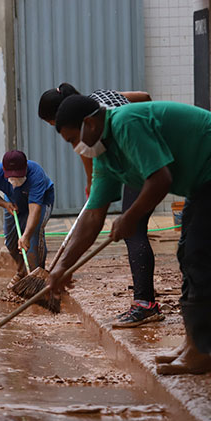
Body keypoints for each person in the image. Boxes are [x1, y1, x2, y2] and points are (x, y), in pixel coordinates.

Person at [50, 95, 211, 375]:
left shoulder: (125, 124)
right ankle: (196, 342)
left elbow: (160, 179)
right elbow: (93, 216)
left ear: (90, 123)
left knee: (199, 254)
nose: (75, 148)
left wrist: (129, 218)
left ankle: (204, 350)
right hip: (203, 181)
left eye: (73, 139)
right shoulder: (106, 158)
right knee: (186, 253)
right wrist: (62, 266)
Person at [39, 83, 161, 328]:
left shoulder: (90, 132)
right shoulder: (99, 100)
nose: (72, 143)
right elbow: (145, 97)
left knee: (134, 230)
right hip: (138, 159)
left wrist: (93, 195)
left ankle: (145, 304)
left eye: (55, 125)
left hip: (142, 160)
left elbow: (93, 174)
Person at [0, 150, 54, 289]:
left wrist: (26, 235)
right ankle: (22, 272)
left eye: (19, 176)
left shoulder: (36, 174)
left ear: (25, 168)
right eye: (11, 176)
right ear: (4, 170)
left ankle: (37, 277)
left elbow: (34, 209)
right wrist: (5, 204)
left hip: (41, 202)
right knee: (11, 241)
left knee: (33, 237)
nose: (15, 179)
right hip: (12, 201)